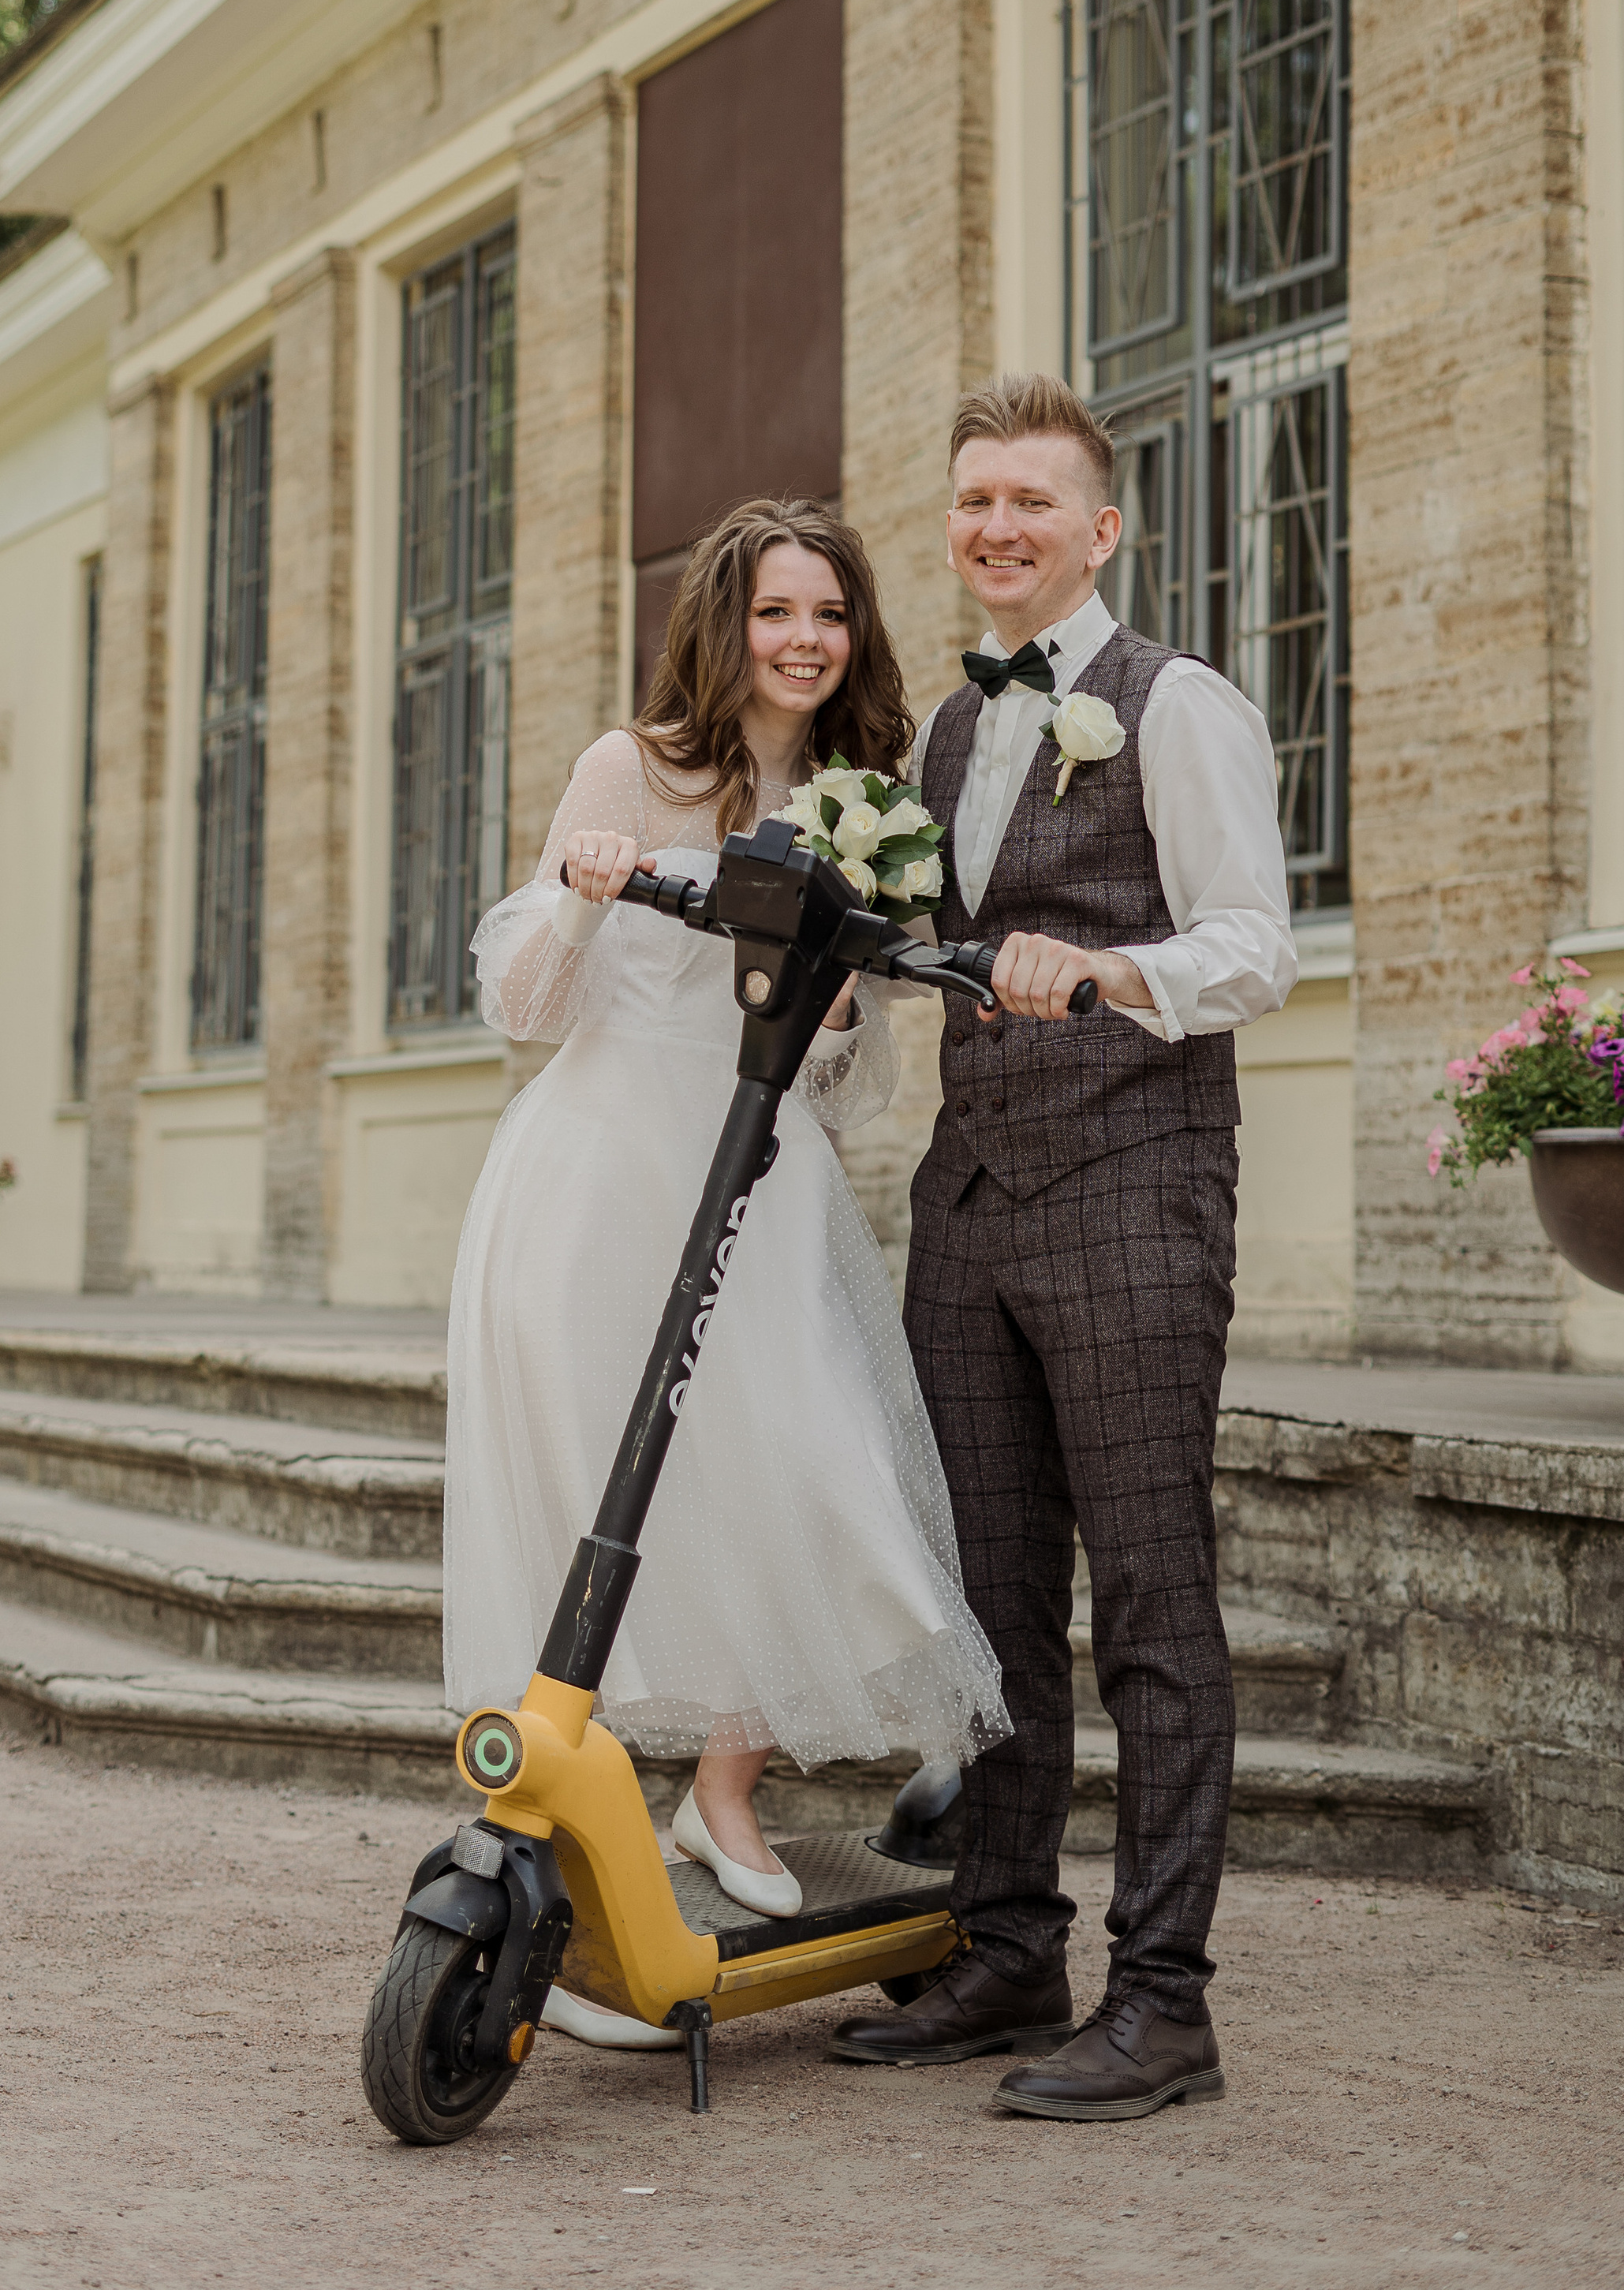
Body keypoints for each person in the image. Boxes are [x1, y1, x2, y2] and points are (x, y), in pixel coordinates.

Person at [443, 495, 1009, 1960]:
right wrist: (578, 899)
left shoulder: (863, 801)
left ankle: (726, 1789)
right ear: (725, 622)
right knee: (607, 1497)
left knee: (815, 1469)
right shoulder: (628, 767)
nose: (805, 639)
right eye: (777, 612)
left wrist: (830, 1000)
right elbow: (525, 1013)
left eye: (829, 614)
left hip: (761, 1175)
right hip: (597, 1175)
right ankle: (570, 1847)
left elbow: (847, 1072)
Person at [830, 374, 1295, 2120]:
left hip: (1131, 1191)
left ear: (1100, 530)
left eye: (1030, 502)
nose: (995, 529)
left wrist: (1106, 970)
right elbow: (936, 954)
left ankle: (1161, 2000)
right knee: (988, 1602)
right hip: (966, 1201)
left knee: (1153, 1604)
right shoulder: (947, 736)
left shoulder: (1171, 704)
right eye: (970, 504)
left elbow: (1255, 947)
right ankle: (1005, 1947)